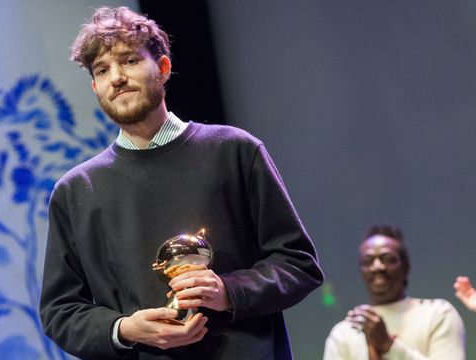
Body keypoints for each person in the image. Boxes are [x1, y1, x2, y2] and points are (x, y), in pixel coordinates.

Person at [39, 6, 323, 359]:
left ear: (163, 68)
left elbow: (298, 264)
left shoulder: (235, 151)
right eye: (102, 70)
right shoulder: (76, 191)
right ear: (95, 86)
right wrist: (124, 329)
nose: (116, 78)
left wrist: (228, 291)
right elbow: (60, 311)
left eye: (129, 61)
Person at [323, 224, 465, 360]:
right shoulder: (344, 332)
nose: (377, 266)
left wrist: (388, 346)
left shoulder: (438, 314)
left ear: (406, 266)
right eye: (368, 261)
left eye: (388, 259)